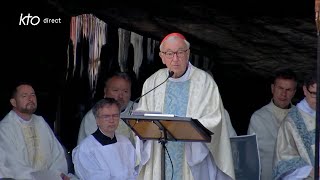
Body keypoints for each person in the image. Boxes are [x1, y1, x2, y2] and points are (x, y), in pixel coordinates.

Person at [135, 32, 235, 180]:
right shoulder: (153, 82)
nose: (175, 59)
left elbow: (215, 120)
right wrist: (141, 125)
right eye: (169, 53)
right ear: (162, 57)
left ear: (188, 53)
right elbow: (142, 116)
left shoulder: (205, 82)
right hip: (159, 154)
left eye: (180, 52)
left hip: (192, 156)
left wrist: (185, 127)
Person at [0, 82, 70, 180]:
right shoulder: (5, 128)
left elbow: (57, 154)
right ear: (13, 102)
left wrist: (58, 174)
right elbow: (12, 165)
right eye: (24, 96)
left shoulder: (40, 122)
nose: (30, 98)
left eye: (33, 95)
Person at [247, 68, 297, 180]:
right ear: (273, 88)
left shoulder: (301, 118)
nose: (283, 94)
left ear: (294, 92)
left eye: (288, 90)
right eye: (280, 88)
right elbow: (250, 157)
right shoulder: (258, 117)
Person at [72, 98, 138, 179]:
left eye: (115, 115)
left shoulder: (125, 142)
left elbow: (134, 172)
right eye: (106, 116)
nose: (111, 120)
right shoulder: (86, 149)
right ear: (97, 120)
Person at [272, 71, 317, 179]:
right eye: (315, 94)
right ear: (305, 90)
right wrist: (311, 171)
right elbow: (284, 161)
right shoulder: (291, 122)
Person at [77, 72, 137, 144]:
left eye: (125, 91)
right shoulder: (94, 116)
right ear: (105, 91)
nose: (121, 96)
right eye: (115, 90)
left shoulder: (139, 109)